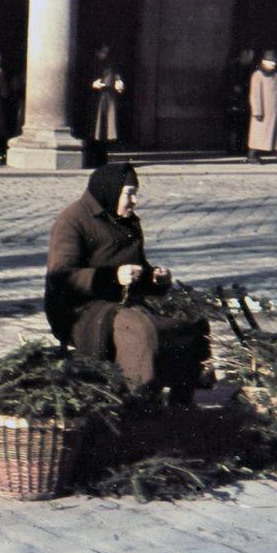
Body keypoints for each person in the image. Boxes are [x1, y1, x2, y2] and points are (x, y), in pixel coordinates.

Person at [44, 162, 211, 407]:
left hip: (123, 303)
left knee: (188, 325)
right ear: (110, 191)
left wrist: (154, 278)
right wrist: (113, 277)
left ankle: (181, 401)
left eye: (135, 194)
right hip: (82, 310)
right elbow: (61, 277)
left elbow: (137, 267)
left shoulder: (126, 220)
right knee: (138, 329)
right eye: (129, 194)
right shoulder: (72, 220)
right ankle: (136, 400)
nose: (134, 201)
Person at [247, 49, 277, 165]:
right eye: (269, 62)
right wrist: (257, 111)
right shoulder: (257, 76)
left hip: (276, 111)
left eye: (273, 62)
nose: (272, 65)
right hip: (263, 112)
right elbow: (255, 95)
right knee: (259, 135)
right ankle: (252, 156)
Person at [88, 45, 125, 168]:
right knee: (96, 130)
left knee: (106, 129)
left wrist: (119, 83)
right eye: (102, 52)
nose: (104, 55)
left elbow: (117, 77)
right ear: (97, 52)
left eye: (106, 52)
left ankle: (103, 158)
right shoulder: (93, 65)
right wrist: (92, 84)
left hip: (108, 97)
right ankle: (95, 159)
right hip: (97, 98)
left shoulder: (111, 64)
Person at [221, 47, 255, 155]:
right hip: (235, 100)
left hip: (239, 101)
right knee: (235, 126)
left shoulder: (244, 68)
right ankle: (234, 148)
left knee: (239, 126)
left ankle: (237, 147)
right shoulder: (235, 69)